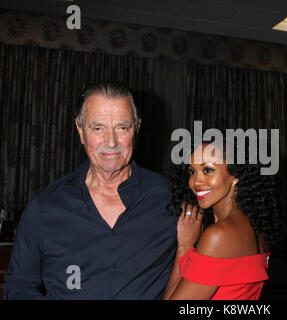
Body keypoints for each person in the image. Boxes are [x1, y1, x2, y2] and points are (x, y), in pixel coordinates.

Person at [3, 81, 177, 299]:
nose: (111, 142)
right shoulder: (44, 207)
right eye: (98, 128)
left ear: (137, 128)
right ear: (80, 131)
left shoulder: (170, 199)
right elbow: (18, 287)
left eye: (122, 128)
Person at [163, 141, 283, 300]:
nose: (195, 182)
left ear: (236, 176)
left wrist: (184, 245)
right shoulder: (255, 227)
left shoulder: (220, 235)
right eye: (192, 172)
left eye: (207, 170)